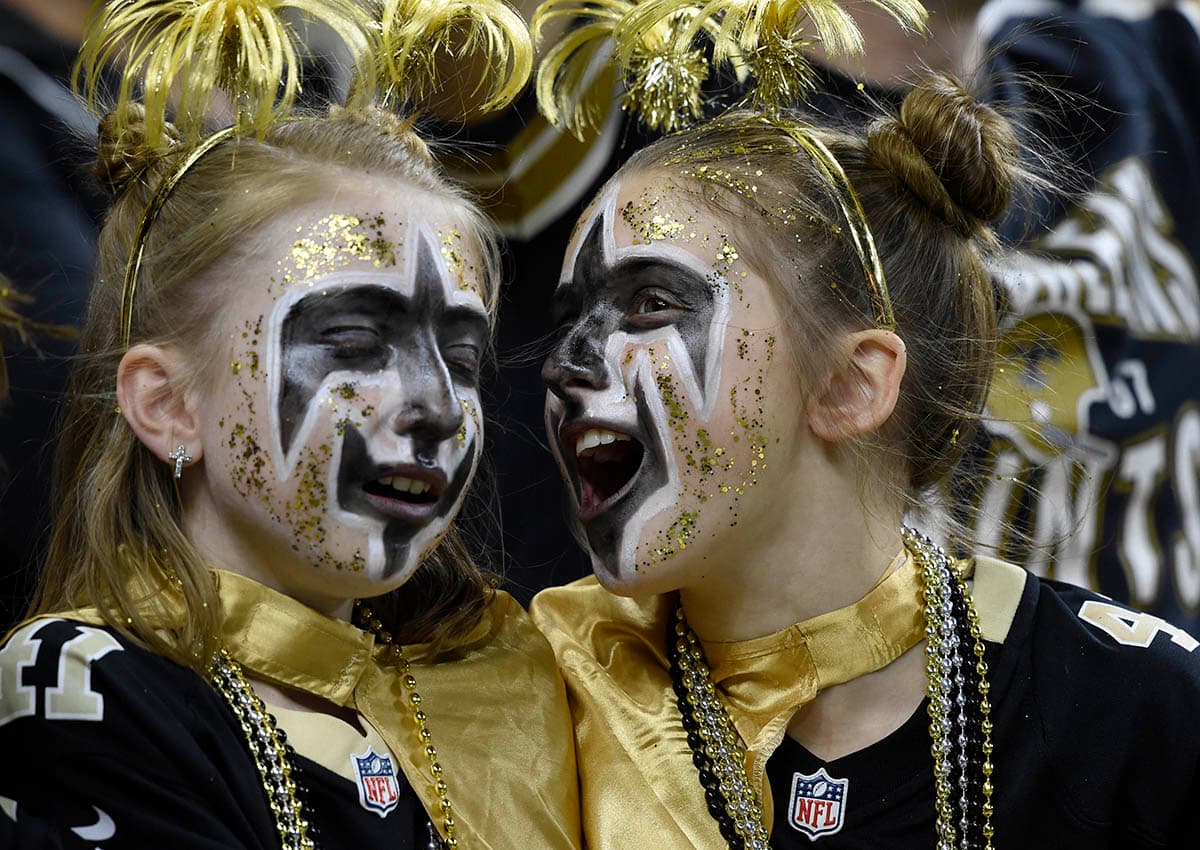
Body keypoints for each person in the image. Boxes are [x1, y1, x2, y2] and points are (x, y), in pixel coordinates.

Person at [529, 4, 1200, 847]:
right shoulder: (533, 702)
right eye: (569, 317)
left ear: (850, 384)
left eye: (654, 303)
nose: (568, 364)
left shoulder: (1142, 712)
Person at [0, 1, 580, 847]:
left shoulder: (506, 683)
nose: (435, 407)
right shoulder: (89, 685)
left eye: (460, 357)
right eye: (352, 341)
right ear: (167, 405)